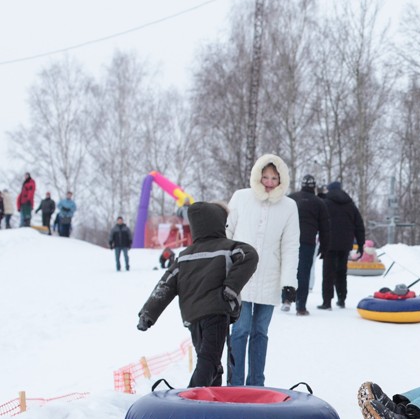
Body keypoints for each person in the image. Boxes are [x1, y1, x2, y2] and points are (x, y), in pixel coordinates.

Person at [137, 202, 259, 388]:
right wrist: (231, 288)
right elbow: (250, 255)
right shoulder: (228, 247)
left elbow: (165, 285)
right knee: (209, 360)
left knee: (211, 361)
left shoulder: (184, 256)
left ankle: (213, 401)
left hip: (193, 317)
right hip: (217, 311)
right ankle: (191, 400)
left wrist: (148, 313)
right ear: (219, 223)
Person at [226, 153, 299, 386]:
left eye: (274, 178)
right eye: (265, 176)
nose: (269, 182)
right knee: (240, 330)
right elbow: (227, 235)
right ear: (257, 175)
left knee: (260, 332)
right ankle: (235, 385)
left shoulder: (289, 207)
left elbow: (290, 247)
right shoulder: (241, 198)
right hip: (241, 278)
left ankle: (256, 384)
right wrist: (223, 269)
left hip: (269, 278)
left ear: (281, 180)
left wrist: (289, 283)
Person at [318, 180, 365, 310]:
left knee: (328, 273)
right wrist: (361, 244)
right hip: (345, 244)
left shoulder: (326, 203)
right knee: (341, 272)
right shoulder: (350, 204)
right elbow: (359, 225)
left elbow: (319, 222)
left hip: (329, 243)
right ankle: (341, 299)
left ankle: (327, 302)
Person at [288, 174, 330, 315]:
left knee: (289, 269)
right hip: (307, 241)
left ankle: (286, 299)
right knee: (303, 273)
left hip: (289, 240)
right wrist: (324, 247)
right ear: (314, 187)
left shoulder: (291, 198)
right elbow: (325, 227)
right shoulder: (319, 203)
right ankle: (301, 306)